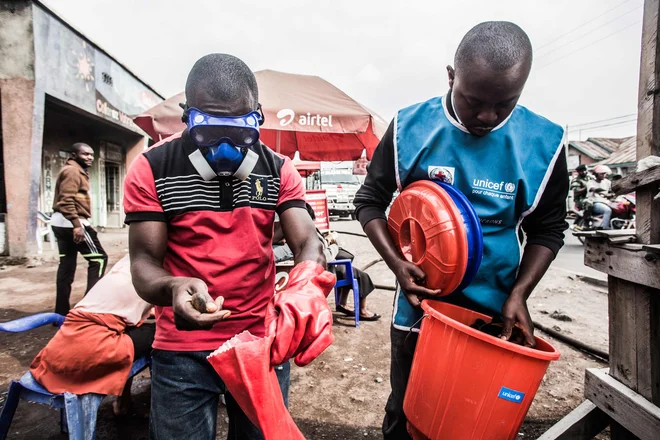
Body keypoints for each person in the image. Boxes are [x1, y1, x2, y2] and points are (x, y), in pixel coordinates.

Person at [353, 22, 568, 439]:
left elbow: (549, 229)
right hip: (420, 312)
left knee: (475, 422)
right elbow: (369, 201)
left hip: (492, 317)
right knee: (406, 417)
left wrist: (519, 294)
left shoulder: (545, 142)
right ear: (451, 76)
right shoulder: (409, 128)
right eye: (474, 101)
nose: (487, 116)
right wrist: (397, 264)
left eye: (504, 104)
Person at [123, 54, 325, 440]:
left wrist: (305, 287)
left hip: (259, 342)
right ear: (188, 117)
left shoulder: (280, 169)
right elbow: (144, 263)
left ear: (258, 117)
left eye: (241, 127)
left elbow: (307, 241)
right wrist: (173, 287)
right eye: (209, 127)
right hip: (181, 349)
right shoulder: (151, 168)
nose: (226, 143)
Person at [30, 255, 155, 416]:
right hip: (91, 348)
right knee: (159, 334)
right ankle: (134, 402)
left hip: (58, 352)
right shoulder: (156, 270)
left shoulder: (126, 263)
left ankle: (123, 401)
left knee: (133, 332)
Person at [273, 204, 380, 321]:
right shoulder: (301, 239)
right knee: (360, 275)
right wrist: (333, 244)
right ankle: (361, 310)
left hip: (317, 266)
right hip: (322, 269)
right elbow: (323, 256)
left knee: (350, 268)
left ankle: (343, 304)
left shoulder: (286, 237)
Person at [51, 143, 108, 316]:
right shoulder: (73, 171)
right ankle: (89, 309)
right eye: (85, 154)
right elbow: (66, 200)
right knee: (99, 259)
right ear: (74, 155)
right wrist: (77, 225)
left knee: (66, 266)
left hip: (61, 223)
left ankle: (60, 313)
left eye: (91, 154)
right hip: (73, 224)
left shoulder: (73, 170)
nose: (90, 158)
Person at [588, 164, 613, 229]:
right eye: (601, 174)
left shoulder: (607, 182)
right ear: (596, 174)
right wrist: (603, 194)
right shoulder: (590, 182)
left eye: (604, 174)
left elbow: (611, 191)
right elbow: (593, 189)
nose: (603, 175)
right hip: (595, 203)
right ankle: (605, 228)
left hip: (606, 202)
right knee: (607, 210)